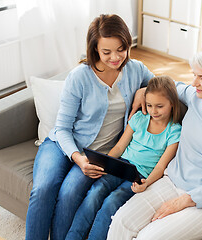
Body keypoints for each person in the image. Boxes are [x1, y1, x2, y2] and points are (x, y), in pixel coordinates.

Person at [107, 43, 202, 240]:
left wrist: (185, 201)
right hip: (174, 181)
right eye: (195, 75)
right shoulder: (196, 98)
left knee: (148, 238)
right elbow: (166, 86)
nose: (194, 83)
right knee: (121, 222)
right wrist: (143, 90)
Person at [25, 14, 154, 240]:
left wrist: (146, 89)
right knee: (43, 190)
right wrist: (78, 158)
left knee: (69, 193)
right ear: (94, 49)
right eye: (106, 52)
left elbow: (166, 86)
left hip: (99, 155)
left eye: (121, 49)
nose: (115, 57)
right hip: (60, 144)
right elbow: (63, 128)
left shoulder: (136, 69)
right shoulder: (79, 77)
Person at [65, 76, 182, 240]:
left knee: (112, 201)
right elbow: (120, 147)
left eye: (159, 106)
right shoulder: (140, 118)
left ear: (172, 104)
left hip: (140, 177)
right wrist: (105, 162)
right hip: (121, 166)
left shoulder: (174, 131)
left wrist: (146, 183)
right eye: (149, 105)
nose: (154, 111)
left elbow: (161, 167)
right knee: (94, 193)